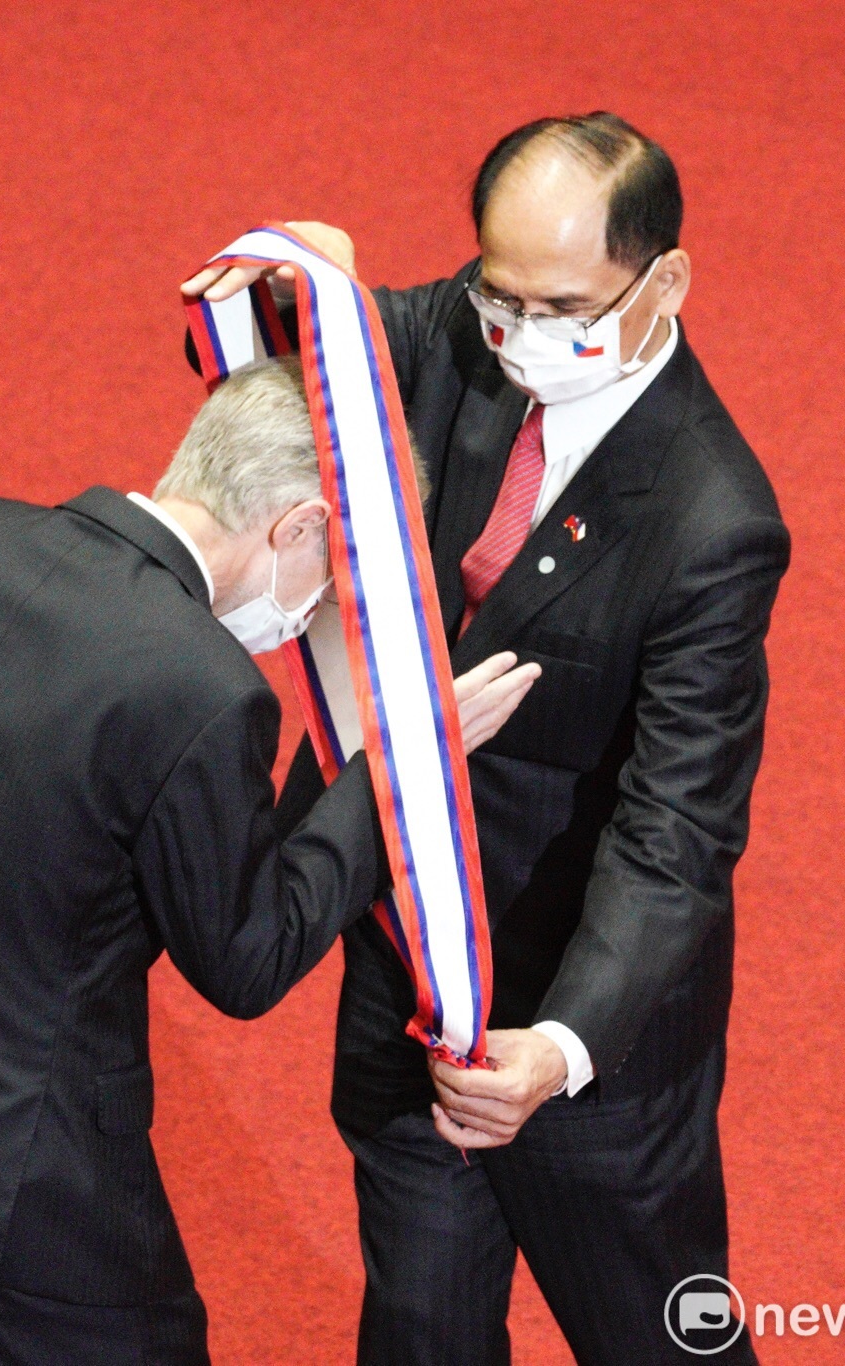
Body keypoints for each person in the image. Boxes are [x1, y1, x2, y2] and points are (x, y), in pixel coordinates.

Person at [0, 356, 538, 1366]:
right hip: (23, 1191)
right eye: (334, 576)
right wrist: (393, 775)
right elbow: (245, 957)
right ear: (296, 524)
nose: (321, 609)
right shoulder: (196, 683)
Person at [184, 112, 790, 1364]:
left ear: (661, 277)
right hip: (406, 977)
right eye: (495, 292)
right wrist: (305, 273)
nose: (515, 337)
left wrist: (558, 1047)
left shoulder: (712, 520)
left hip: (579, 1047)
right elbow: (352, 340)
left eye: (558, 306)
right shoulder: (476, 331)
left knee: (654, 1337)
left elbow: (674, 832)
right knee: (417, 1330)